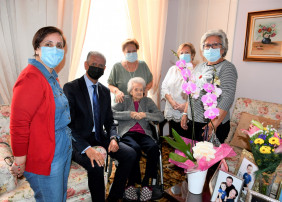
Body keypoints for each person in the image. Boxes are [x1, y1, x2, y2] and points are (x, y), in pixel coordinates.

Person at [9, 26, 72, 201]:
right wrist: (20, 161)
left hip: (61, 145)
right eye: (48, 44)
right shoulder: (31, 77)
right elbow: (18, 123)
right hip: (46, 152)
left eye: (59, 45)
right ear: (37, 48)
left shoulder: (51, 76)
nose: (55, 49)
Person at [63, 51, 136, 202]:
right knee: (95, 164)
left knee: (130, 154)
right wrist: (87, 149)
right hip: (78, 140)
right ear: (86, 65)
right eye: (94, 64)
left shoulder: (104, 91)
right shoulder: (71, 88)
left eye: (101, 66)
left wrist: (113, 138)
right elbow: (67, 125)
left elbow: (110, 120)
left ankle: (114, 196)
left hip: (99, 136)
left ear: (104, 69)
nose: (97, 68)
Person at [181, 29, 238, 143]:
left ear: (223, 48)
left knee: (209, 159)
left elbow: (227, 97)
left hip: (211, 124)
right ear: (203, 49)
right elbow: (191, 92)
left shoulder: (227, 68)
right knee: (193, 158)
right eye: (207, 45)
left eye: (215, 44)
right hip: (194, 122)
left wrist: (213, 124)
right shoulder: (199, 67)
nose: (210, 48)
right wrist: (185, 113)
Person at [112, 77, 164, 201]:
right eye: (136, 89)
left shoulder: (148, 101)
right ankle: (131, 184)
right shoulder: (123, 100)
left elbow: (160, 116)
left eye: (141, 90)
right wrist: (128, 114)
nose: (139, 92)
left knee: (153, 148)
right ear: (130, 91)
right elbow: (111, 113)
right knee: (133, 149)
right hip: (128, 134)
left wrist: (146, 115)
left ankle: (147, 184)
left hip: (144, 134)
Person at [161, 42, 196, 137]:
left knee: (186, 143)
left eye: (187, 52)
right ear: (178, 55)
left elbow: (196, 94)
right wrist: (171, 101)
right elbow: (164, 87)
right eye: (181, 53)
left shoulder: (195, 71)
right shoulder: (173, 69)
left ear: (192, 55)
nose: (184, 55)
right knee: (175, 141)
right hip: (172, 110)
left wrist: (185, 107)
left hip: (186, 114)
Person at [108, 38, 153, 103]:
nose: (131, 53)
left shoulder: (143, 65)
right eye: (128, 52)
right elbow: (110, 85)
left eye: (134, 51)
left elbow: (150, 81)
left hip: (140, 104)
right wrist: (117, 91)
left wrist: (146, 89)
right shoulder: (117, 67)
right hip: (122, 105)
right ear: (123, 52)